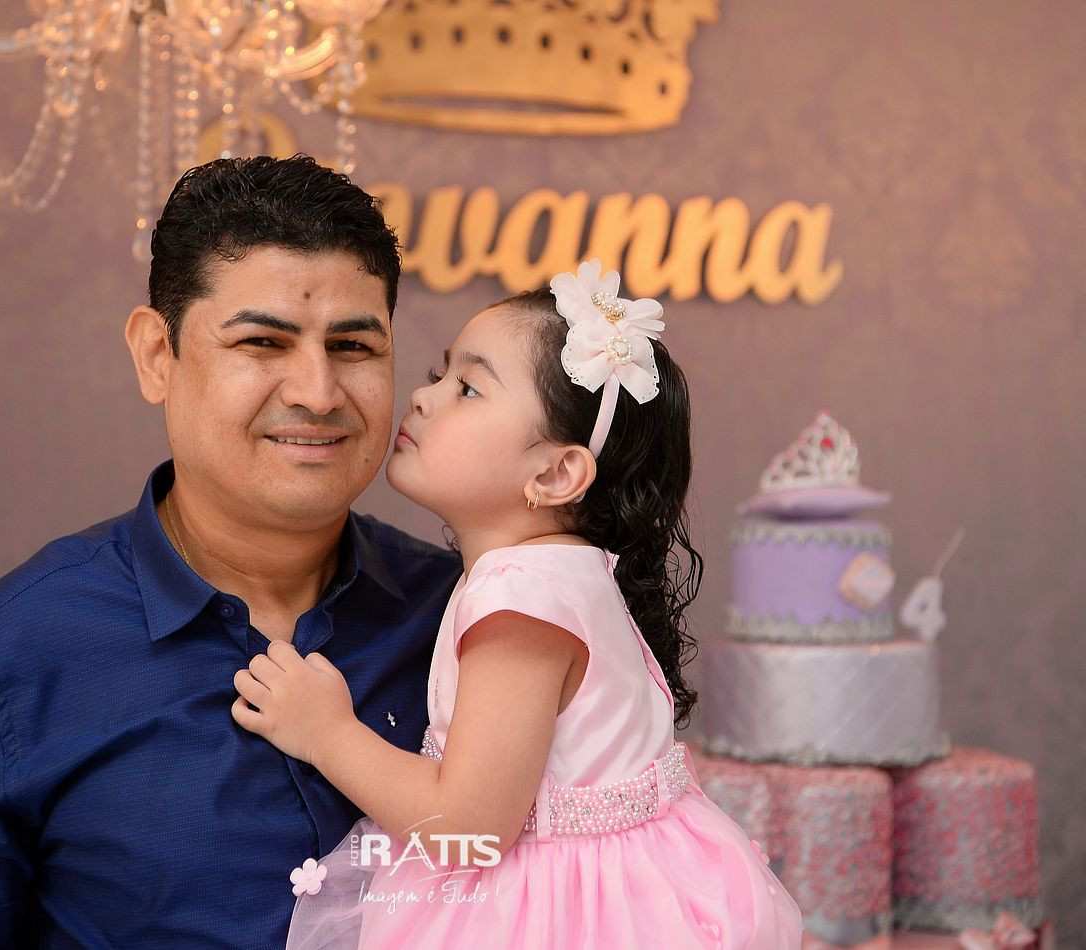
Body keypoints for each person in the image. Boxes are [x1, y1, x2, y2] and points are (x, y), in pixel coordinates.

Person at [0, 156, 461, 949]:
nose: (318, 392)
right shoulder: (12, 658)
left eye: (352, 346)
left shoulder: (467, 618)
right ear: (155, 355)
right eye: (262, 342)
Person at [232, 260, 804, 948]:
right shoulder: (568, 576)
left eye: (468, 387)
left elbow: (470, 825)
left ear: (556, 473)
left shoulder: (520, 603)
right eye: (440, 372)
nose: (423, 396)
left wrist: (326, 733)